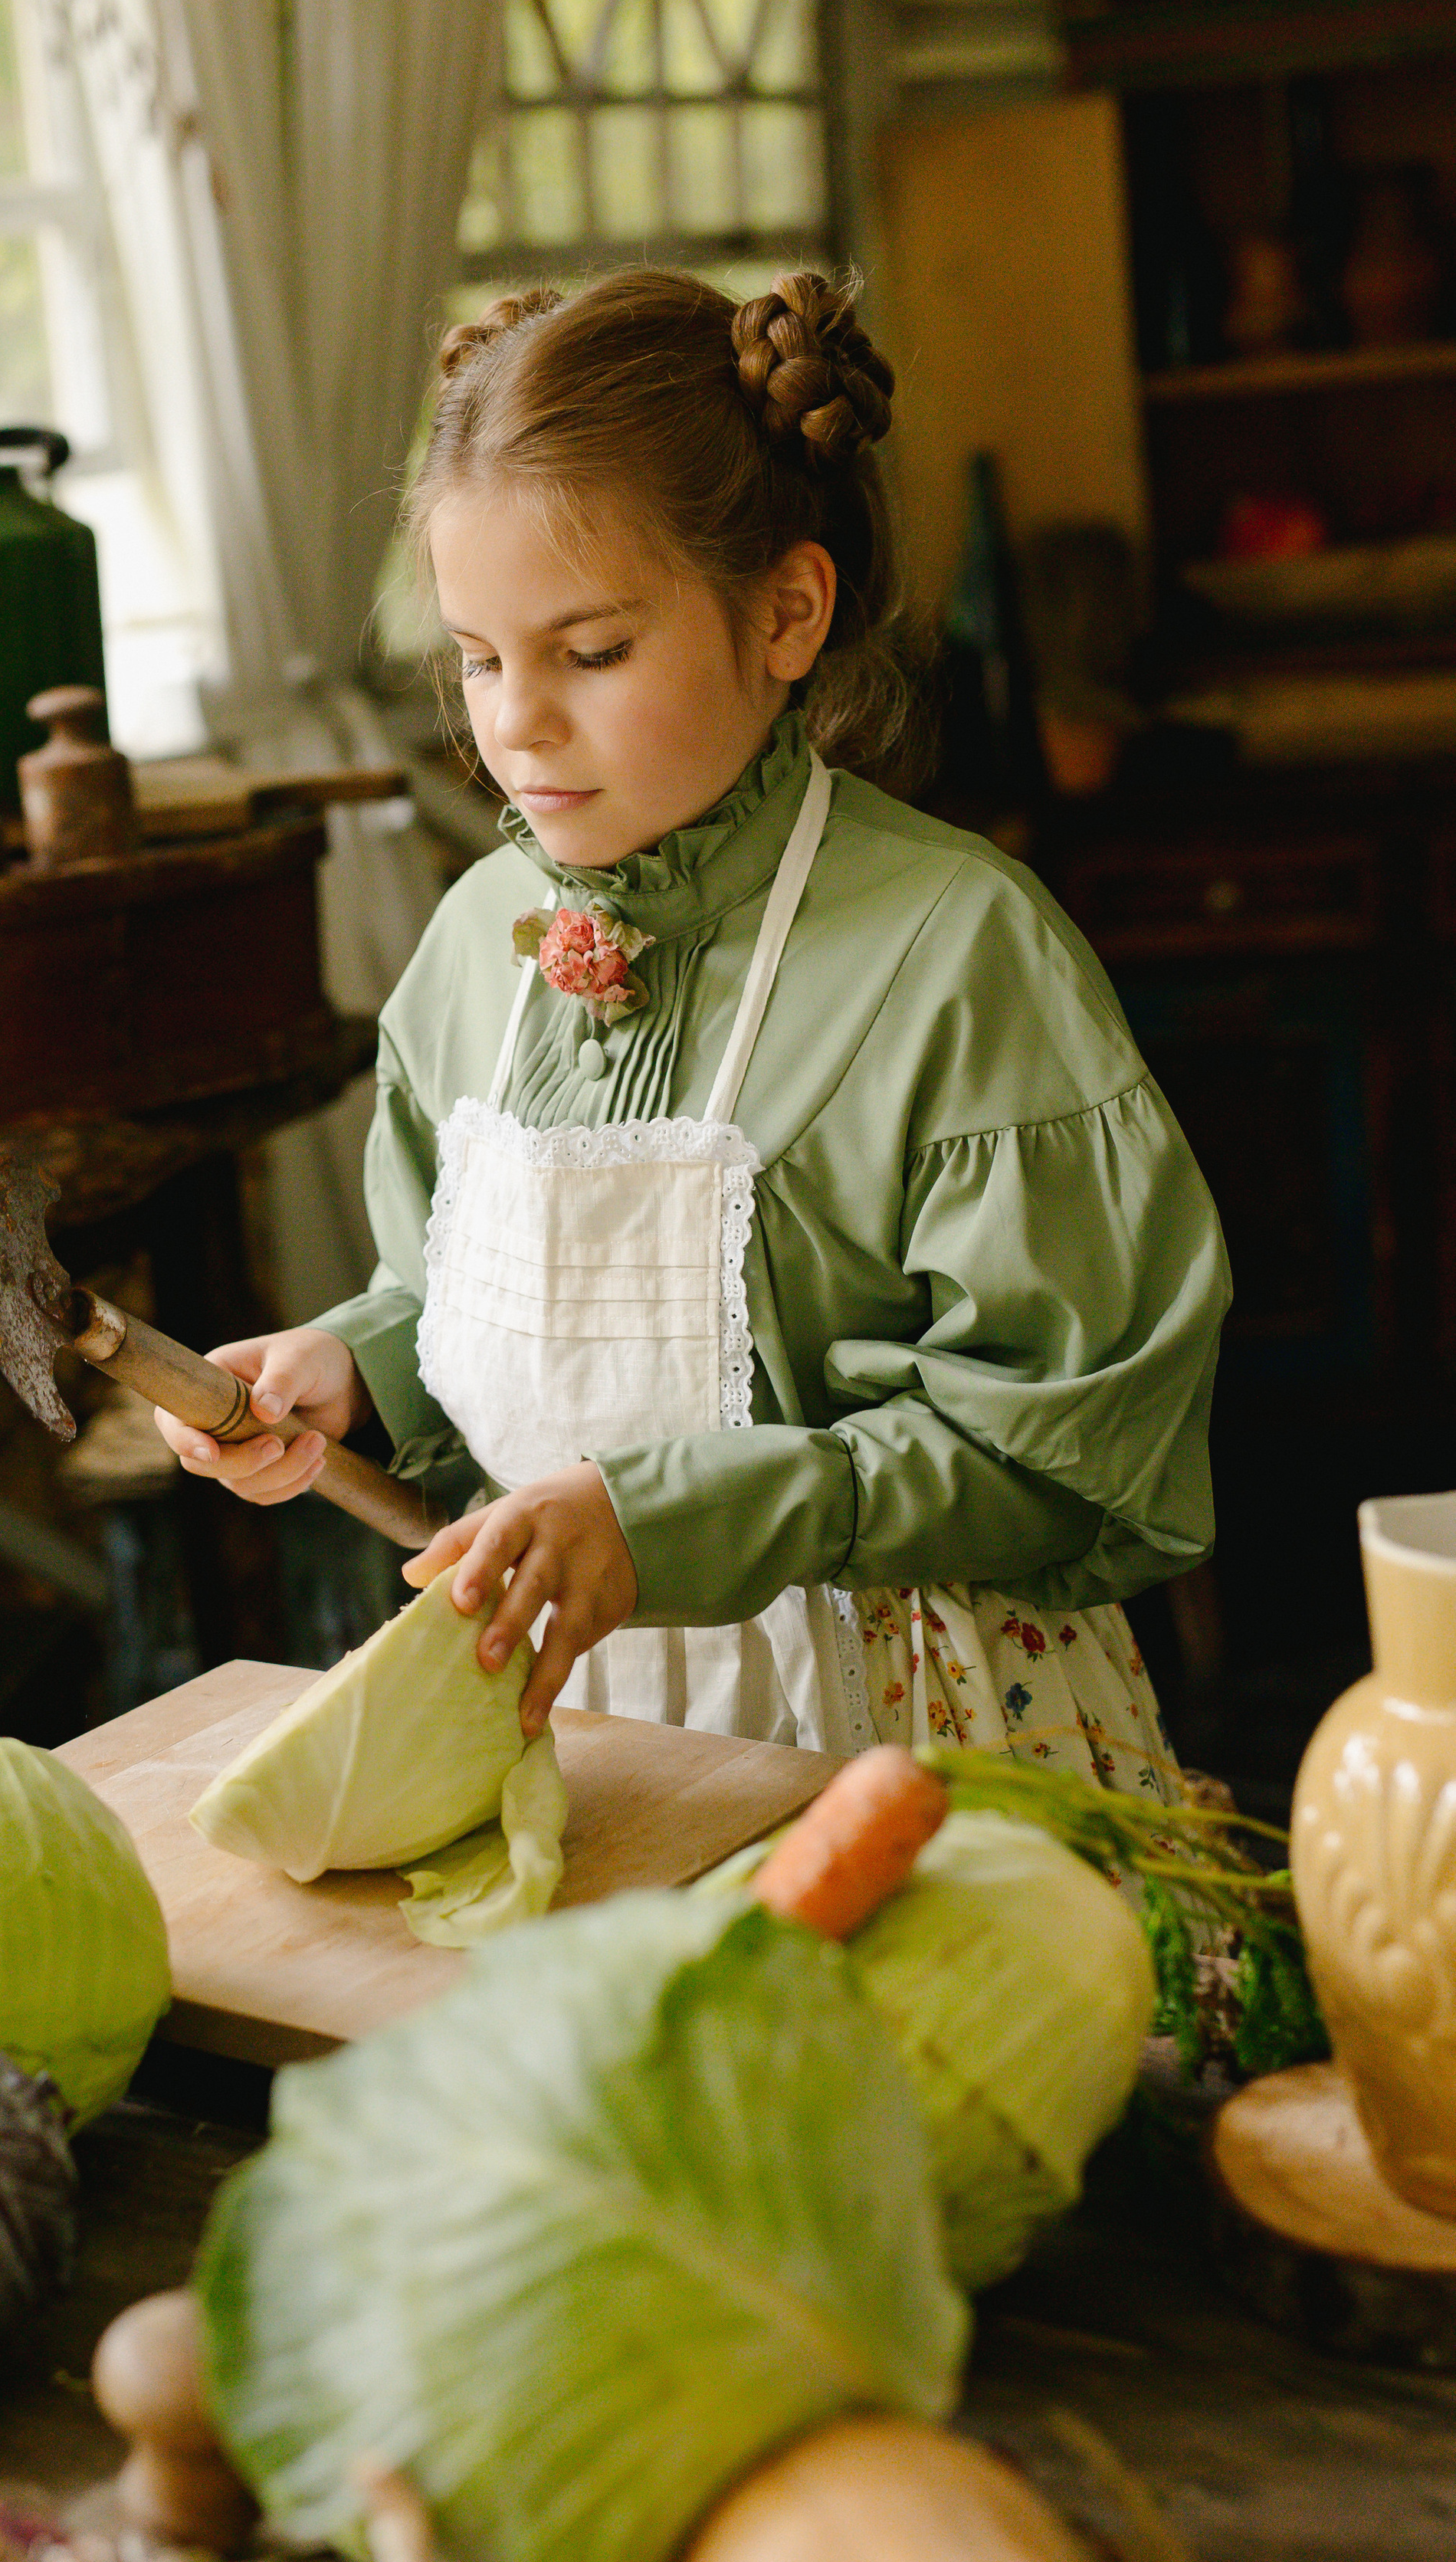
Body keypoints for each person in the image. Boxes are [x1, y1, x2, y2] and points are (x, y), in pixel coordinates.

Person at [155, 267, 1229, 1792]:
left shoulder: (955, 957)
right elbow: (448, 1281)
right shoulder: (475, 946)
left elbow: (1052, 1451)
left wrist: (668, 1520)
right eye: (475, 654)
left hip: (915, 1745)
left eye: (589, 652)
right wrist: (360, 1369)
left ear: (784, 612)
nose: (513, 720)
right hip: (577, 1732)